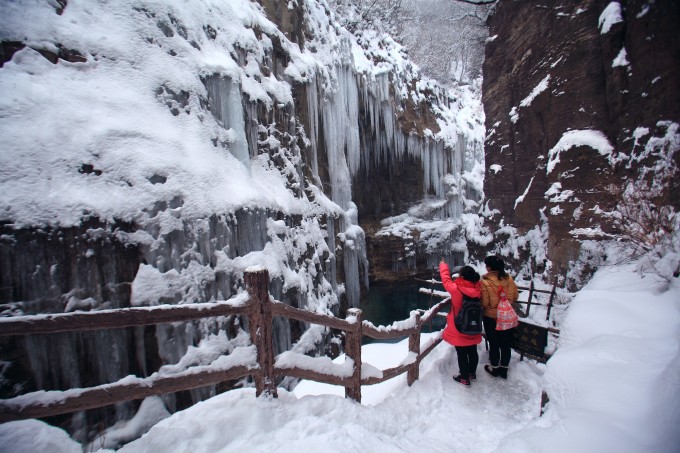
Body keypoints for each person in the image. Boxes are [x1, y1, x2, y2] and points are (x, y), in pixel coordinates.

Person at [439, 259, 482, 387]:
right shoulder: (479, 288)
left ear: (462, 276)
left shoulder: (456, 288)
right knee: (472, 351)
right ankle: (472, 373)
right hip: (474, 324)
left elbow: (446, 280)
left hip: (459, 325)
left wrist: (443, 265)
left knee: (461, 353)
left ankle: (464, 378)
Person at [480, 255, 519, 379]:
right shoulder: (509, 279)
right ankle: (504, 369)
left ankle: (495, 368)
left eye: (487, 265)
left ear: (490, 268)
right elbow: (515, 297)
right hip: (506, 316)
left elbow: (485, 303)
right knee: (505, 343)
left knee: (494, 343)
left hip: (491, 317)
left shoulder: (485, 283)